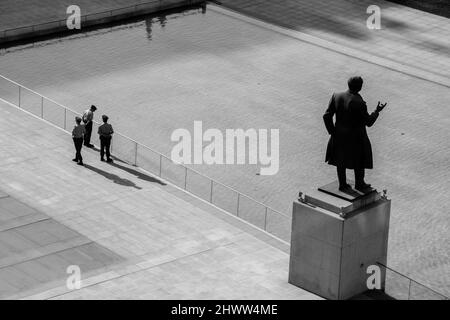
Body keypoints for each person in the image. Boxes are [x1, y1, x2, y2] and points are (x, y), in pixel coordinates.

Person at [323, 76, 387, 192]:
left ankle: (342, 184)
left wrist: (333, 132)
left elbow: (327, 116)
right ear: (360, 87)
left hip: (339, 136)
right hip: (356, 138)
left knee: (340, 160)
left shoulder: (336, 95)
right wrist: (377, 111)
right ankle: (359, 183)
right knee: (360, 160)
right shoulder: (359, 102)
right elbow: (368, 122)